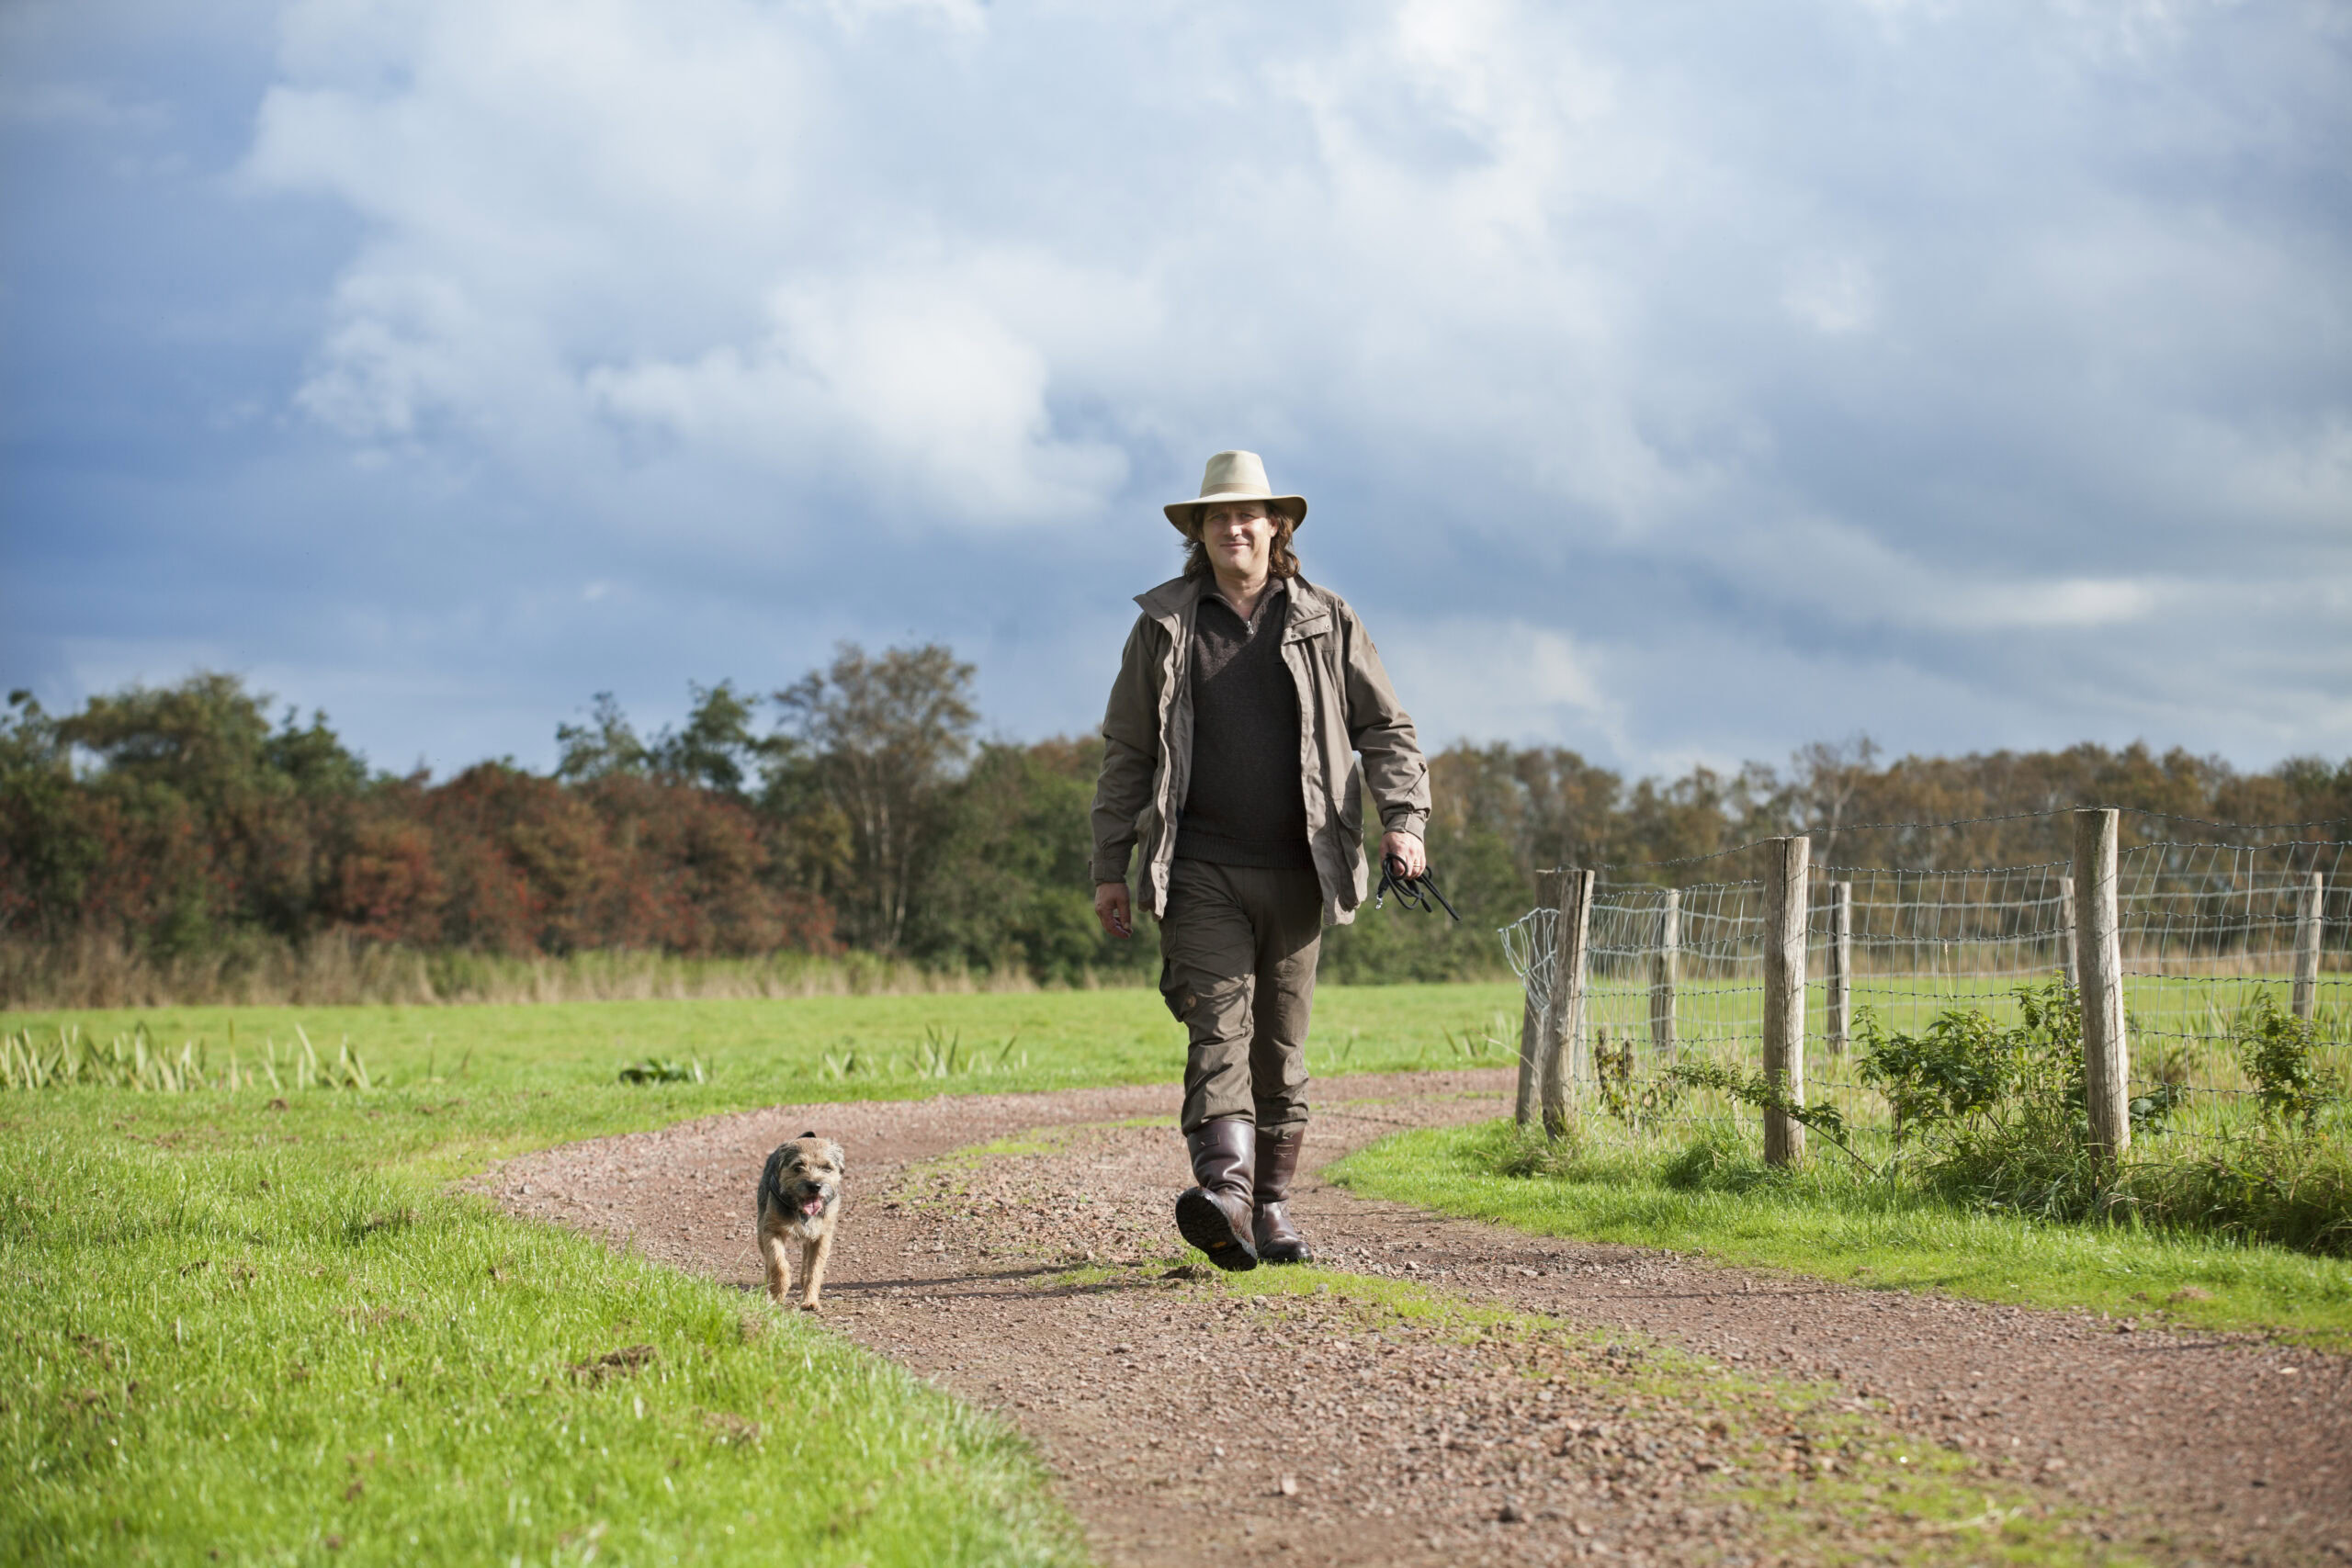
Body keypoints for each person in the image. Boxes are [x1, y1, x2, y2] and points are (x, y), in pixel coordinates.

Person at [1090, 450, 1430, 1270]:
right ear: (1199, 532)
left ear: (1277, 526)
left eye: (1248, 515)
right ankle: (1227, 1197)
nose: (1234, 527)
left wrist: (1405, 821)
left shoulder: (1326, 619)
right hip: (1197, 867)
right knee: (1217, 1031)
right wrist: (1109, 864)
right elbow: (1128, 751)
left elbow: (1385, 729)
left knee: (1279, 1049)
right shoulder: (1163, 626)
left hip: (1303, 868)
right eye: (1218, 516)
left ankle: (1271, 1207)